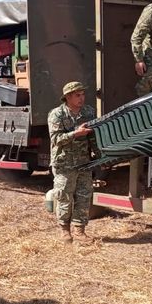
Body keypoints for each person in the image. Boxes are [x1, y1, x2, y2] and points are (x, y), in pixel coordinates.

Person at [47, 81, 97, 245]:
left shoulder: (89, 112)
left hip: (84, 162)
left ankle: (79, 231)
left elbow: (94, 137)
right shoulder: (57, 114)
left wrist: (99, 156)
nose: (81, 98)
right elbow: (56, 139)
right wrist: (75, 133)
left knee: (84, 196)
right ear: (68, 97)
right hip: (64, 163)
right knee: (64, 197)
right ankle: (64, 230)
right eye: (77, 95)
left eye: (83, 94)